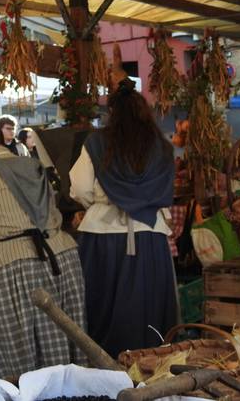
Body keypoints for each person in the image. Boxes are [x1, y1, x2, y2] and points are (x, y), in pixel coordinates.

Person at [0, 112, 86, 381]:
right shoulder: (31, 166)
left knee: (17, 359)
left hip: (10, 269)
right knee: (62, 349)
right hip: (62, 260)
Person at [70, 78, 177, 358]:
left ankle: (105, 371)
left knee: (101, 309)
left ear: (113, 113)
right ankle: (152, 366)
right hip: (149, 235)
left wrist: (98, 203)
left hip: (103, 236)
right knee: (149, 307)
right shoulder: (162, 147)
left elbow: (80, 187)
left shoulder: (96, 142)